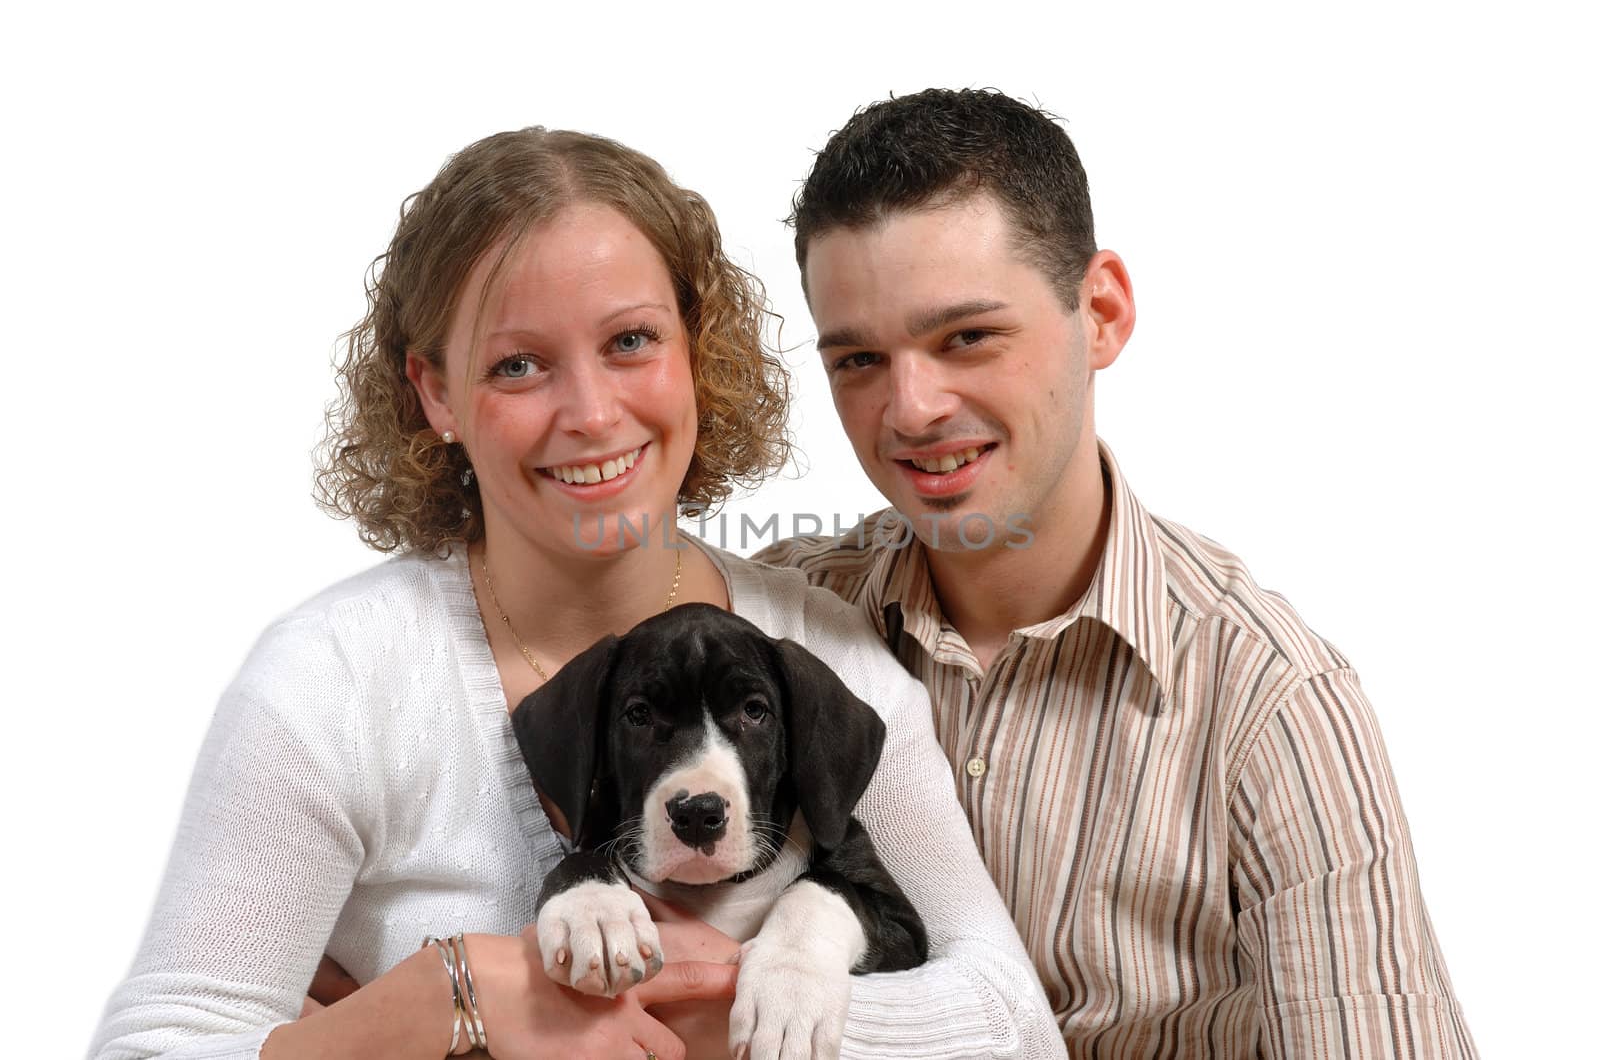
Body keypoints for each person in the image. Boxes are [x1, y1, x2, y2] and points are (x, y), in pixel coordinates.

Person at [88, 127, 1065, 1060]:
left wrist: (723, 1013)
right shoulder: (335, 681)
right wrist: (454, 994)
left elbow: (1013, 1019)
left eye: (632, 340)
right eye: (518, 363)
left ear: (697, 349)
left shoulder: (823, 649)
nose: (591, 414)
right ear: (435, 393)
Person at [756, 89, 1478, 1059]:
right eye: (858, 359)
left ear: (1100, 312)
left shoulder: (1272, 703)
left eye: (966, 337)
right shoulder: (782, 618)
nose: (911, 406)